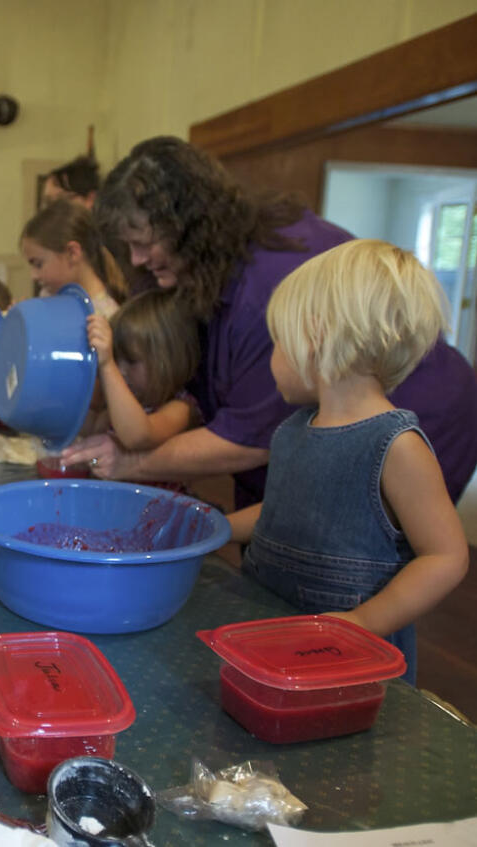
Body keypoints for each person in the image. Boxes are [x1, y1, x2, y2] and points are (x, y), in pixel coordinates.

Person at [63, 136, 477, 508]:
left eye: (146, 243)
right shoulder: (201, 266)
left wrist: (133, 463)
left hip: (427, 414)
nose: (136, 260)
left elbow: (249, 440)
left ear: (189, 225)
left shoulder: (266, 291)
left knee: (362, 556)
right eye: (129, 246)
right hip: (305, 447)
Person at [227, 241, 469, 683]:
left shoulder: (395, 445)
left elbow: (445, 556)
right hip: (273, 634)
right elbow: (285, 512)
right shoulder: (293, 430)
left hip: (351, 662)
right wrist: (217, 526)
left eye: (277, 342)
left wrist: (362, 622)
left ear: (315, 336)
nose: (270, 360)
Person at [86, 288, 199, 450]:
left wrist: (107, 365)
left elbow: (139, 436)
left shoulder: (181, 408)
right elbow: (90, 428)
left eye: (131, 361)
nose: (121, 371)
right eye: (116, 359)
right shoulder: (124, 404)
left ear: (167, 360)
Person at [20, 200, 126, 316]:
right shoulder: (49, 296)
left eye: (38, 264)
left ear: (72, 253)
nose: (33, 276)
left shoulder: (107, 316)